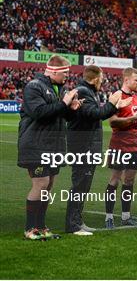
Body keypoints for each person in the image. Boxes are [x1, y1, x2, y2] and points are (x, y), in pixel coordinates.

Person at [18, 55, 81, 240]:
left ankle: (41, 226)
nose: (67, 76)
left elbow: (60, 116)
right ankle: (30, 229)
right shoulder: (34, 87)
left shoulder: (59, 89)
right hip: (36, 144)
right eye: (64, 73)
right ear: (53, 71)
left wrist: (71, 109)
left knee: (49, 185)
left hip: (54, 145)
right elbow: (39, 113)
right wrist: (64, 103)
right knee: (41, 183)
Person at [65, 65, 131, 235]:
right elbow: (95, 114)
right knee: (79, 185)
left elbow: (97, 113)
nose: (103, 80)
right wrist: (112, 103)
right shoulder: (83, 91)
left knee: (84, 186)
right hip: (82, 146)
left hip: (88, 146)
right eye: (102, 77)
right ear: (95, 78)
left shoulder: (89, 91)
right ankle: (73, 225)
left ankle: (78, 222)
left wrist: (115, 106)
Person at [104, 68, 137, 228]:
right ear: (126, 80)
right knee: (115, 180)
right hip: (119, 144)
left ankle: (126, 216)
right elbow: (112, 121)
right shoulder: (117, 96)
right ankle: (109, 217)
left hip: (136, 145)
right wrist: (134, 117)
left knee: (130, 181)